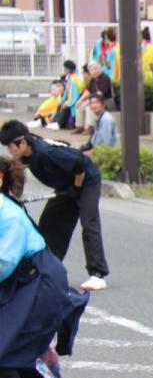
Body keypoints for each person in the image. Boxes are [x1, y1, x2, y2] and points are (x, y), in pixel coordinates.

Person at [0, 156, 88, 378]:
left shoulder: (8, 215)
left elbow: (4, 261)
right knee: (16, 335)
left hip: (38, 279)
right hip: (26, 278)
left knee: (7, 335)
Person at [0, 121, 108, 292]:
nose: (9, 151)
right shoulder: (26, 153)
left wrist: (76, 188)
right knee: (49, 224)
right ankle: (47, 268)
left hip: (86, 181)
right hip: (67, 186)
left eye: (10, 146)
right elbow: (16, 176)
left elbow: (79, 164)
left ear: (22, 143)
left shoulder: (45, 152)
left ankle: (98, 274)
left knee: (89, 223)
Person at [74, 62, 112, 135]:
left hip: (106, 101)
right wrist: (80, 100)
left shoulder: (105, 78)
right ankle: (80, 126)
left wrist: (90, 100)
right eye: (91, 70)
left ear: (100, 69)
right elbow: (88, 91)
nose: (94, 71)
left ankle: (91, 127)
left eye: (96, 69)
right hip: (95, 100)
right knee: (80, 105)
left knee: (90, 105)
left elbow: (100, 94)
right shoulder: (92, 80)